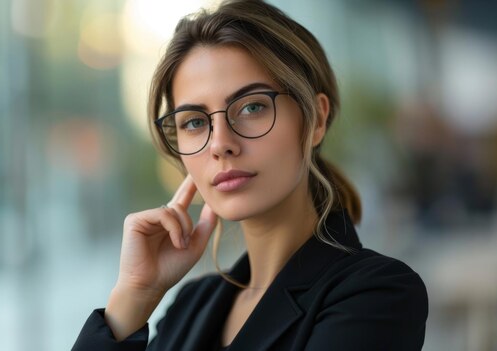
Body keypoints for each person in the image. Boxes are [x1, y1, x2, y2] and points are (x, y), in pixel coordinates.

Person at [72, 0, 428, 350]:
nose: (220, 144)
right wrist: (134, 296)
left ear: (316, 120)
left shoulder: (376, 294)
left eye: (252, 107)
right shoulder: (190, 306)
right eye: (195, 122)